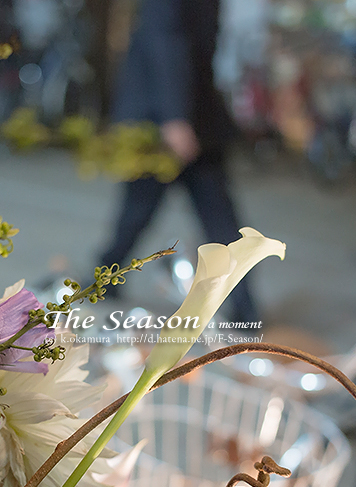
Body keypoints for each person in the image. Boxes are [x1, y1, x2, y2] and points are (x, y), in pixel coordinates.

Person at [99, 0, 261, 324]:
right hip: (163, 121)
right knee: (139, 211)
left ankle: (245, 309)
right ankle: (102, 280)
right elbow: (165, 40)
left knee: (213, 217)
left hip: (193, 117)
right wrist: (175, 117)